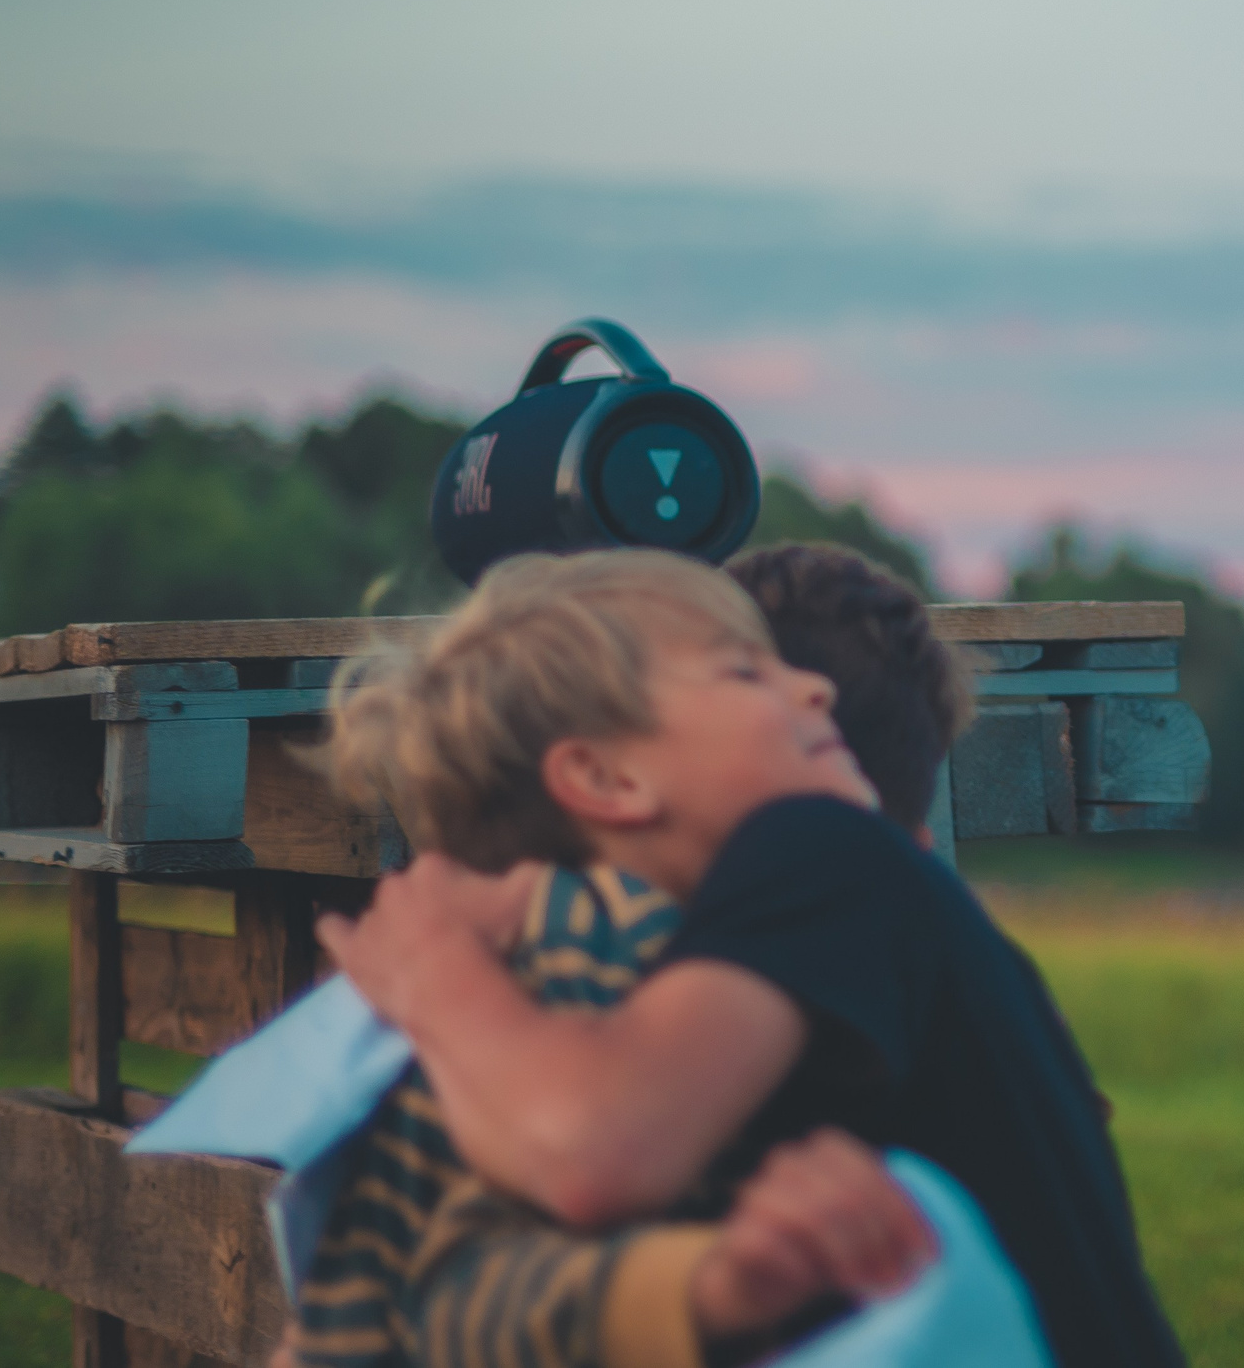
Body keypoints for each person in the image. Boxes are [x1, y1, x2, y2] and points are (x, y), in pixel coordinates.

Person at [313, 547, 1185, 1368]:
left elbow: (594, 1146)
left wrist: (436, 969)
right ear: (606, 779)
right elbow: (472, 1276)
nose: (811, 690)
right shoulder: (680, 961)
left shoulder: (821, 849)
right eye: (742, 671)